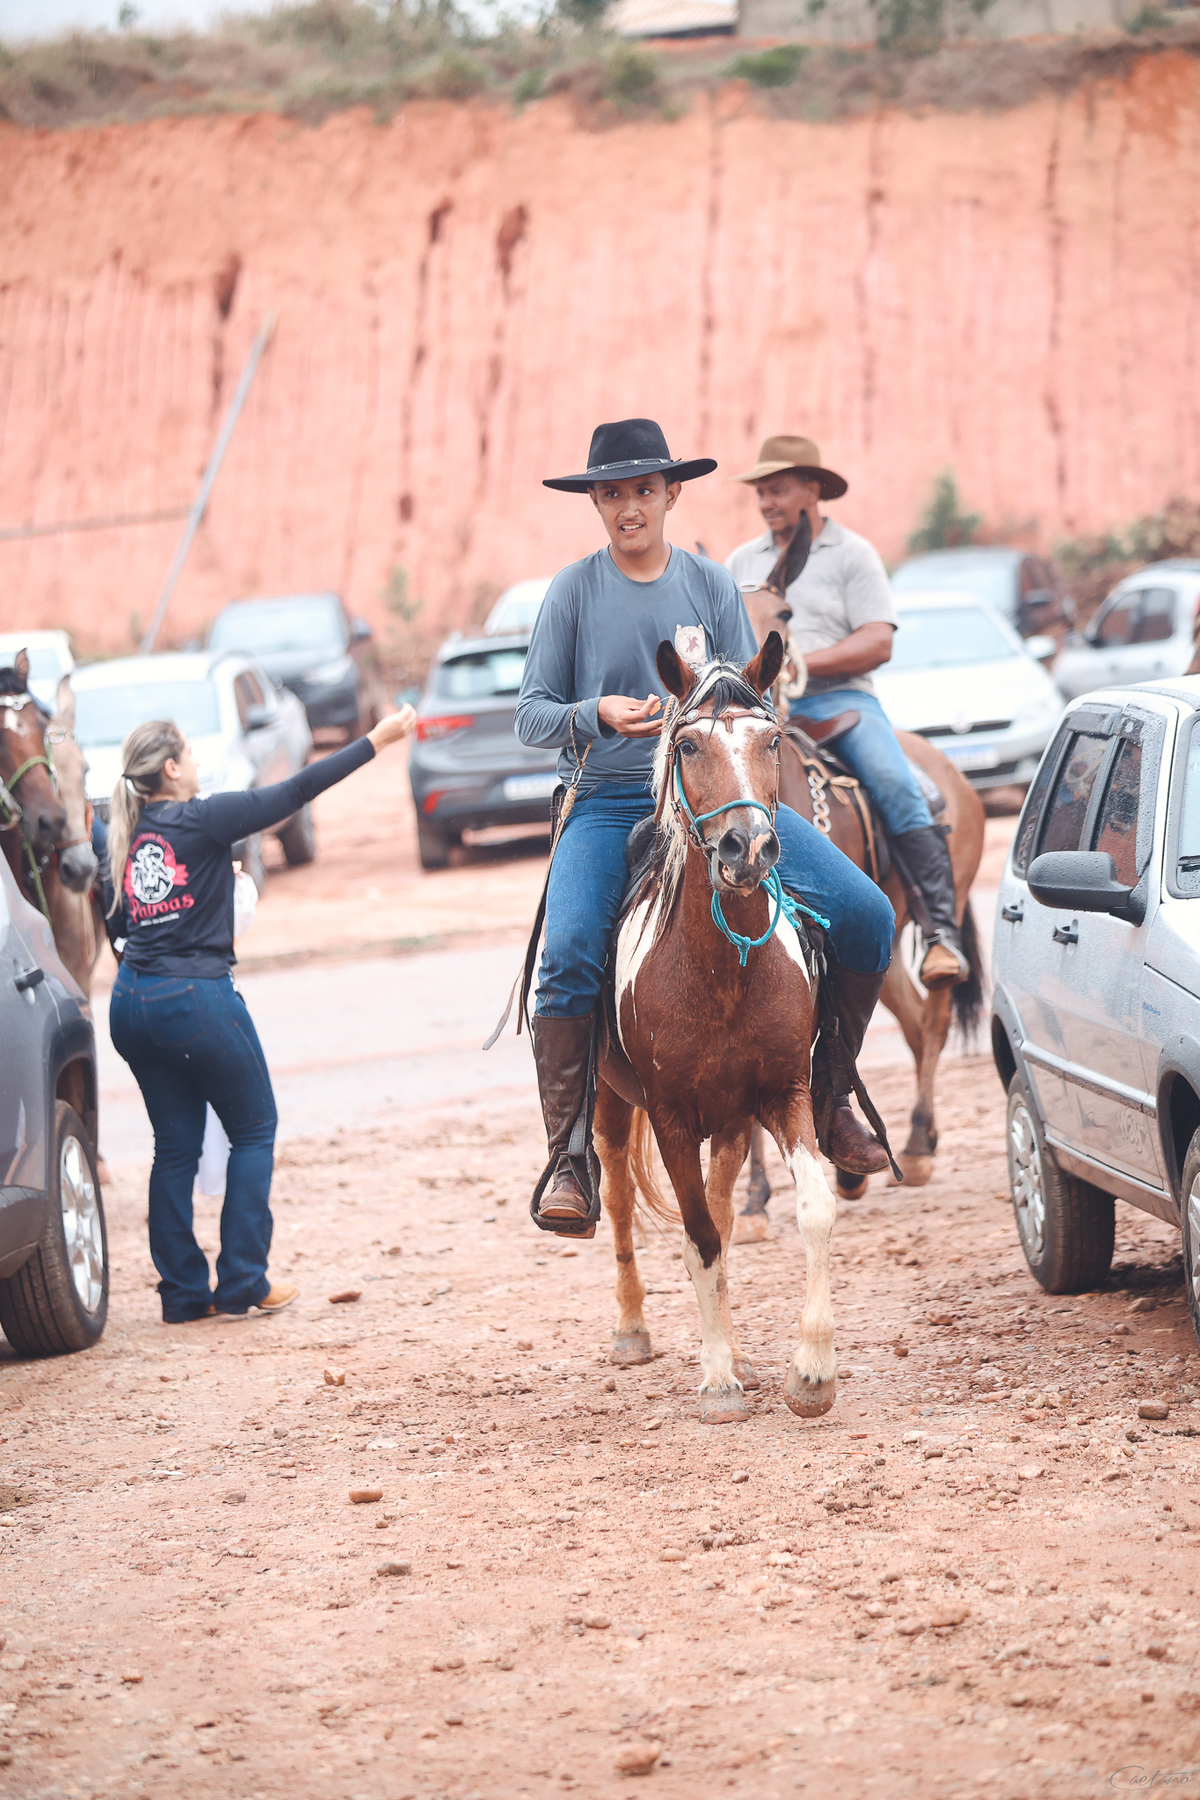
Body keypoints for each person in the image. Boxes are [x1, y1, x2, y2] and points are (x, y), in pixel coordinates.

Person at [515, 418, 897, 1233]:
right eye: (611, 494)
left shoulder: (709, 584)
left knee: (868, 914)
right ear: (595, 503)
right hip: (610, 800)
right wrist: (595, 711)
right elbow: (530, 715)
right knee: (569, 951)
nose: (628, 507)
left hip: (720, 801)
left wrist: (738, 747)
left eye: (643, 491)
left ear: (671, 493)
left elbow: (748, 696)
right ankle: (570, 1156)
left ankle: (831, 1096)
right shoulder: (571, 592)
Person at [106, 708, 415, 1323]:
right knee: (253, 1130)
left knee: (174, 1148)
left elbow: (116, 917)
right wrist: (376, 741)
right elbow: (297, 790)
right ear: (172, 768)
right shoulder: (204, 817)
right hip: (194, 1000)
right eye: (189, 752)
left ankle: (183, 1294)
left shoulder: (124, 829)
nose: (196, 761)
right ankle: (243, 1278)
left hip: (130, 1002)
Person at [726, 434, 967, 992]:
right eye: (761, 492)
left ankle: (941, 931)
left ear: (813, 489)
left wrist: (799, 664)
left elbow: (879, 640)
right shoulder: (741, 561)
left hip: (842, 703)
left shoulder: (853, 554)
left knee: (896, 783)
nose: (766, 502)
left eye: (778, 490)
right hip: (763, 708)